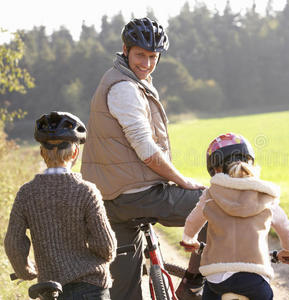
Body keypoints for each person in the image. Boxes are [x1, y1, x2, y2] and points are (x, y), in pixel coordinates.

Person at [80, 17, 206, 300]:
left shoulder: (122, 80)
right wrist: (182, 181)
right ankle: (193, 285)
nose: (147, 64)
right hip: (137, 195)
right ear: (125, 49)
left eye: (153, 57)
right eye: (140, 55)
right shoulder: (124, 88)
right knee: (215, 207)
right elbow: (146, 150)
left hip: (109, 203)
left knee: (124, 292)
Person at [4, 111, 117, 300]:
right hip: (90, 288)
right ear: (75, 152)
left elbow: (13, 243)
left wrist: (25, 271)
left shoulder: (27, 193)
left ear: (42, 152)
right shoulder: (86, 191)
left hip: (51, 289)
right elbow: (106, 247)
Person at [180, 133, 289, 300]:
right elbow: (286, 230)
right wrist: (288, 250)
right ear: (250, 161)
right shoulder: (265, 195)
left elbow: (192, 222)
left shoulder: (211, 194)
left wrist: (189, 238)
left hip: (216, 278)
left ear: (215, 169)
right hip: (253, 279)